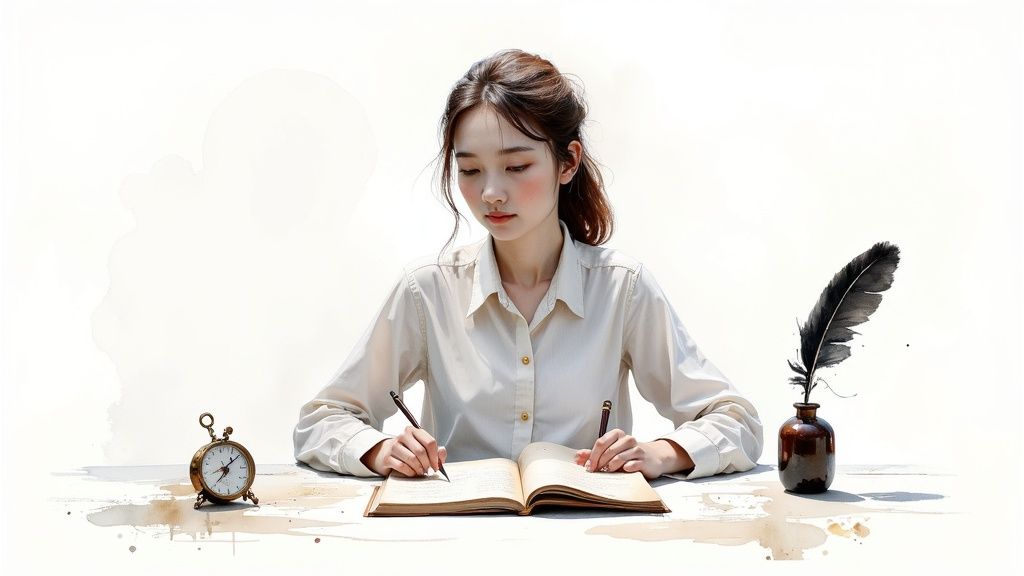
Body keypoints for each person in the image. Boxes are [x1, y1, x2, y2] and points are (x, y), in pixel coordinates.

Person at [293, 49, 762, 481]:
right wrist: (380, 451)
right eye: (470, 170)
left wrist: (659, 453)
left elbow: (735, 421)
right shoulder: (427, 291)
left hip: (592, 533)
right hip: (458, 532)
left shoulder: (622, 289)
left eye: (516, 167)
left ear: (568, 162)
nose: (491, 193)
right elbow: (321, 421)